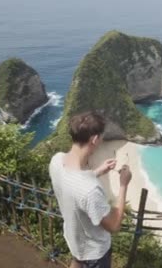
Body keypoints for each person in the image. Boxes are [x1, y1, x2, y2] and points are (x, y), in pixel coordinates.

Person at [49, 111, 132, 268]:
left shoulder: (56, 161)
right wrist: (123, 185)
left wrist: (98, 171)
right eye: (101, 137)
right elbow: (114, 225)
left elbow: (73, 184)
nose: (101, 141)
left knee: (76, 261)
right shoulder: (90, 190)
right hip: (95, 254)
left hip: (74, 240)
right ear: (94, 139)